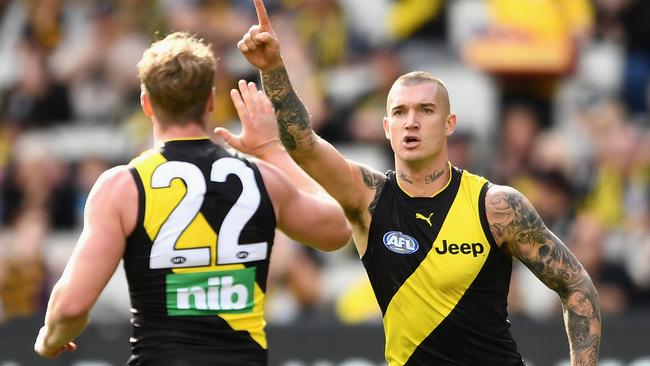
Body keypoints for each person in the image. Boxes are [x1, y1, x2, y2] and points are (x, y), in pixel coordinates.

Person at [219, 1, 602, 364]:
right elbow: (302, 141)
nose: (411, 121)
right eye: (400, 112)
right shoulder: (367, 198)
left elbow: (577, 287)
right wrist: (272, 67)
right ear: (387, 128)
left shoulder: (497, 206)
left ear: (449, 124)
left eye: (426, 110)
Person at [33, 32, 352, 365]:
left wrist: (50, 338)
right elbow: (338, 229)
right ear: (211, 101)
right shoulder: (262, 178)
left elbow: (70, 306)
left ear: (146, 103)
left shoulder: (123, 187)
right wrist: (272, 150)